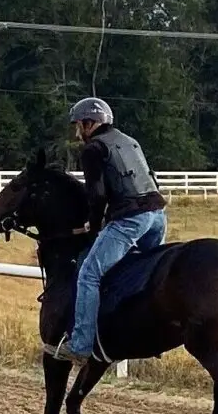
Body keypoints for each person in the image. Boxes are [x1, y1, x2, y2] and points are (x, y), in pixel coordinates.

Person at [54, 96, 168, 365]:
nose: (77, 132)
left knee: (88, 274)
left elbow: (97, 196)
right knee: (145, 276)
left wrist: (94, 229)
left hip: (131, 220)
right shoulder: (130, 141)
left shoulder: (93, 149)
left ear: (89, 123)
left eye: (78, 125)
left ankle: (80, 345)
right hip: (158, 217)